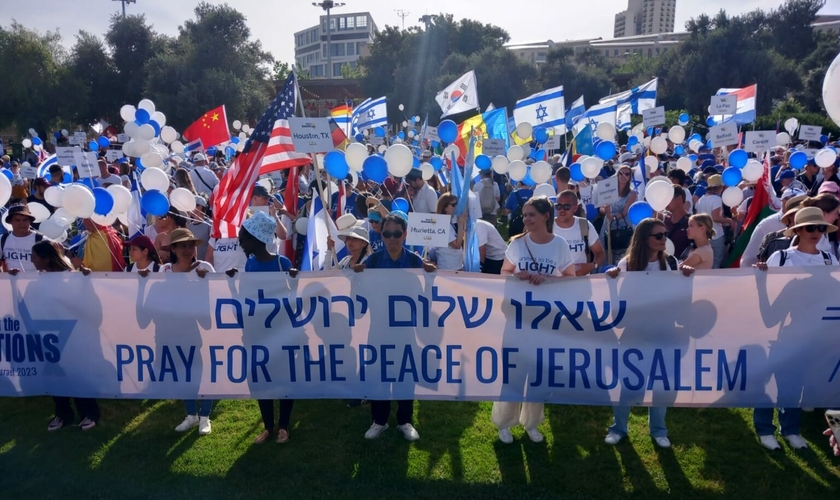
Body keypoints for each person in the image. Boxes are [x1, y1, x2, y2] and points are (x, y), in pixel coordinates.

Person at [604, 218, 695, 448]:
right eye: (659, 236)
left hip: (664, 331)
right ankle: (618, 428)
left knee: (661, 383)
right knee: (628, 384)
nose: (664, 239)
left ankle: (658, 430)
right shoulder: (626, 265)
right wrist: (612, 283)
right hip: (635, 332)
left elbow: (682, 298)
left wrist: (688, 279)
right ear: (645, 239)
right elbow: (618, 306)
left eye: (665, 234)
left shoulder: (673, 263)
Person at [754, 207, 838, 450]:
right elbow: (768, 299)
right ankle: (764, 429)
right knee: (770, 384)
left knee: (795, 386)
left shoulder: (828, 259)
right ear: (798, 230)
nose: (816, 232)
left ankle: (790, 429)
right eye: (810, 227)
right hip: (781, 333)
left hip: (814, 335)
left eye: (821, 227)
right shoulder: (781, 258)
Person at [495, 197, 576, 444]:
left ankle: (531, 423)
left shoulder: (560, 245)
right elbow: (504, 272)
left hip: (546, 318)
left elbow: (571, 278)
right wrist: (517, 275)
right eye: (525, 215)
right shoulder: (517, 244)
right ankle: (504, 423)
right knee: (514, 371)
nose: (526, 219)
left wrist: (547, 278)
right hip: (518, 316)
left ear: (545, 216)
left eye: (531, 215)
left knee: (539, 372)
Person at [357, 213, 436, 442]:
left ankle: (404, 420)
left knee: (405, 375)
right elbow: (361, 301)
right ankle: (379, 420)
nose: (392, 238)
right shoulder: (372, 262)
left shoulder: (414, 261)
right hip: (379, 328)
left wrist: (430, 279)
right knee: (379, 375)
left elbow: (425, 301)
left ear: (405, 234)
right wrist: (356, 279)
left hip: (404, 329)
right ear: (381, 234)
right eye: (387, 233)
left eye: (397, 233)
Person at [234, 212, 298, 444]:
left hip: (280, 333)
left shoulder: (283, 263)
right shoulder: (249, 264)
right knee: (260, 380)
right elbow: (246, 297)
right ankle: (268, 427)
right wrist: (232, 283)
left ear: (256, 238)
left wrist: (295, 281)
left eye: (243, 238)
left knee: (283, 378)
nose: (240, 242)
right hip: (256, 332)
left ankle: (283, 426)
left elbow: (294, 298)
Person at [29, 240, 100, 431]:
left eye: (34, 256)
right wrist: (13, 280)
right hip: (49, 337)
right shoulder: (38, 280)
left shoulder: (73, 277)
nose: (32, 260)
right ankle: (62, 414)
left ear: (45, 259)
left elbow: (87, 304)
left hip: (74, 335)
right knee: (55, 375)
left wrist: (87, 282)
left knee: (77, 374)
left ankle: (89, 413)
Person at [162, 229, 215, 434]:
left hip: (204, 327)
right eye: (182, 245)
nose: (187, 249)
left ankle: (205, 417)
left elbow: (219, 293)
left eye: (190, 245)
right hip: (175, 330)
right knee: (184, 373)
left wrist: (205, 282)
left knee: (204, 372)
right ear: (173, 249)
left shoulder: (205, 267)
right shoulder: (165, 270)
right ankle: (191, 415)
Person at [553, 190, 605, 276]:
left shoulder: (584, 225)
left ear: (575, 207)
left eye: (566, 206)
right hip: (555, 282)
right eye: (558, 206)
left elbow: (600, 252)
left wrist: (591, 266)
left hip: (581, 282)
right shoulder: (548, 227)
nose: (562, 210)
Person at [695, 175, 734, 268]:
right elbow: (715, 217)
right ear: (720, 187)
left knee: (705, 262)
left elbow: (696, 217)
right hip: (716, 235)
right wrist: (729, 220)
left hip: (703, 236)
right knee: (716, 261)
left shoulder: (701, 200)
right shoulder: (716, 199)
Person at [601, 164, 637, 264]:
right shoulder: (609, 190)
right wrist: (605, 211)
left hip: (622, 225)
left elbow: (625, 212)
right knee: (606, 249)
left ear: (630, 176)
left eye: (627, 174)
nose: (623, 176)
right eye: (621, 173)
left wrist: (612, 217)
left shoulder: (632, 193)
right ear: (617, 175)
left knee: (620, 252)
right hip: (608, 223)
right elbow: (600, 208)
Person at [1, 204, 44, 273]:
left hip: (36, 282)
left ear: (30, 221)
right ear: (10, 222)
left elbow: (58, 263)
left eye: (25, 220)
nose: (22, 223)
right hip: (11, 282)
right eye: (17, 220)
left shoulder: (41, 240)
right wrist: (6, 274)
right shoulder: (2, 239)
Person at [431, 193, 466, 271]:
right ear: (445, 207)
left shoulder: (452, 220)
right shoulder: (442, 223)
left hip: (456, 263)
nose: (456, 207)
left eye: (457, 204)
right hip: (448, 265)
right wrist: (460, 225)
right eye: (453, 205)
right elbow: (456, 245)